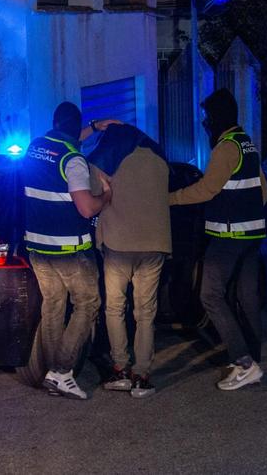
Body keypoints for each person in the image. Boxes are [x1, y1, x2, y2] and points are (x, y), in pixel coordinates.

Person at [169, 88, 267, 391]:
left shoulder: (225, 148)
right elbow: (263, 191)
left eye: (207, 118)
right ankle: (253, 359)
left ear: (216, 117)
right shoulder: (246, 143)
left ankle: (243, 363)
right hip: (253, 235)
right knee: (247, 299)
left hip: (229, 236)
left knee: (210, 295)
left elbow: (206, 190)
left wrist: (168, 199)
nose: (205, 123)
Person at [22, 102, 112, 400]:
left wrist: (94, 127)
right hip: (68, 250)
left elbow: (70, 138)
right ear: (75, 128)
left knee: (53, 305)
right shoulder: (74, 161)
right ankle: (61, 372)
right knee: (87, 303)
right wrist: (106, 197)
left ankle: (51, 373)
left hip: (37, 247)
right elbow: (86, 209)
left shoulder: (35, 147)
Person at [87, 124, 171, 398]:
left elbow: (90, 196)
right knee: (146, 312)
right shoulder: (159, 159)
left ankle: (121, 370)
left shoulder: (106, 160)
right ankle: (142, 375)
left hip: (118, 245)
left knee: (115, 308)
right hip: (154, 245)